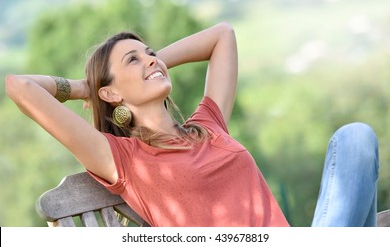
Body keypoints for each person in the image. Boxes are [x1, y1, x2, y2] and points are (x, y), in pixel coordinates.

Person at [5, 22, 378, 227]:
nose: (150, 60)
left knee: (355, 138)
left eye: (150, 53)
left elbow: (222, 36)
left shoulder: (210, 126)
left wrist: (148, 68)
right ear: (110, 96)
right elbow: (19, 87)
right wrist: (91, 87)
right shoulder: (123, 159)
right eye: (133, 59)